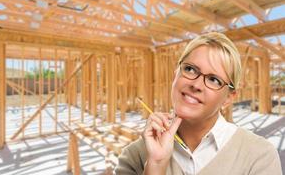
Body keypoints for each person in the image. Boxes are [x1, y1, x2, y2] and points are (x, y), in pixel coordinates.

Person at [115, 32, 282, 175]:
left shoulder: (259, 157)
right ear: (176, 74)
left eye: (213, 80)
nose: (196, 85)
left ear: (228, 98)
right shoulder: (135, 156)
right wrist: (156, 166)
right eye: (190, 69)